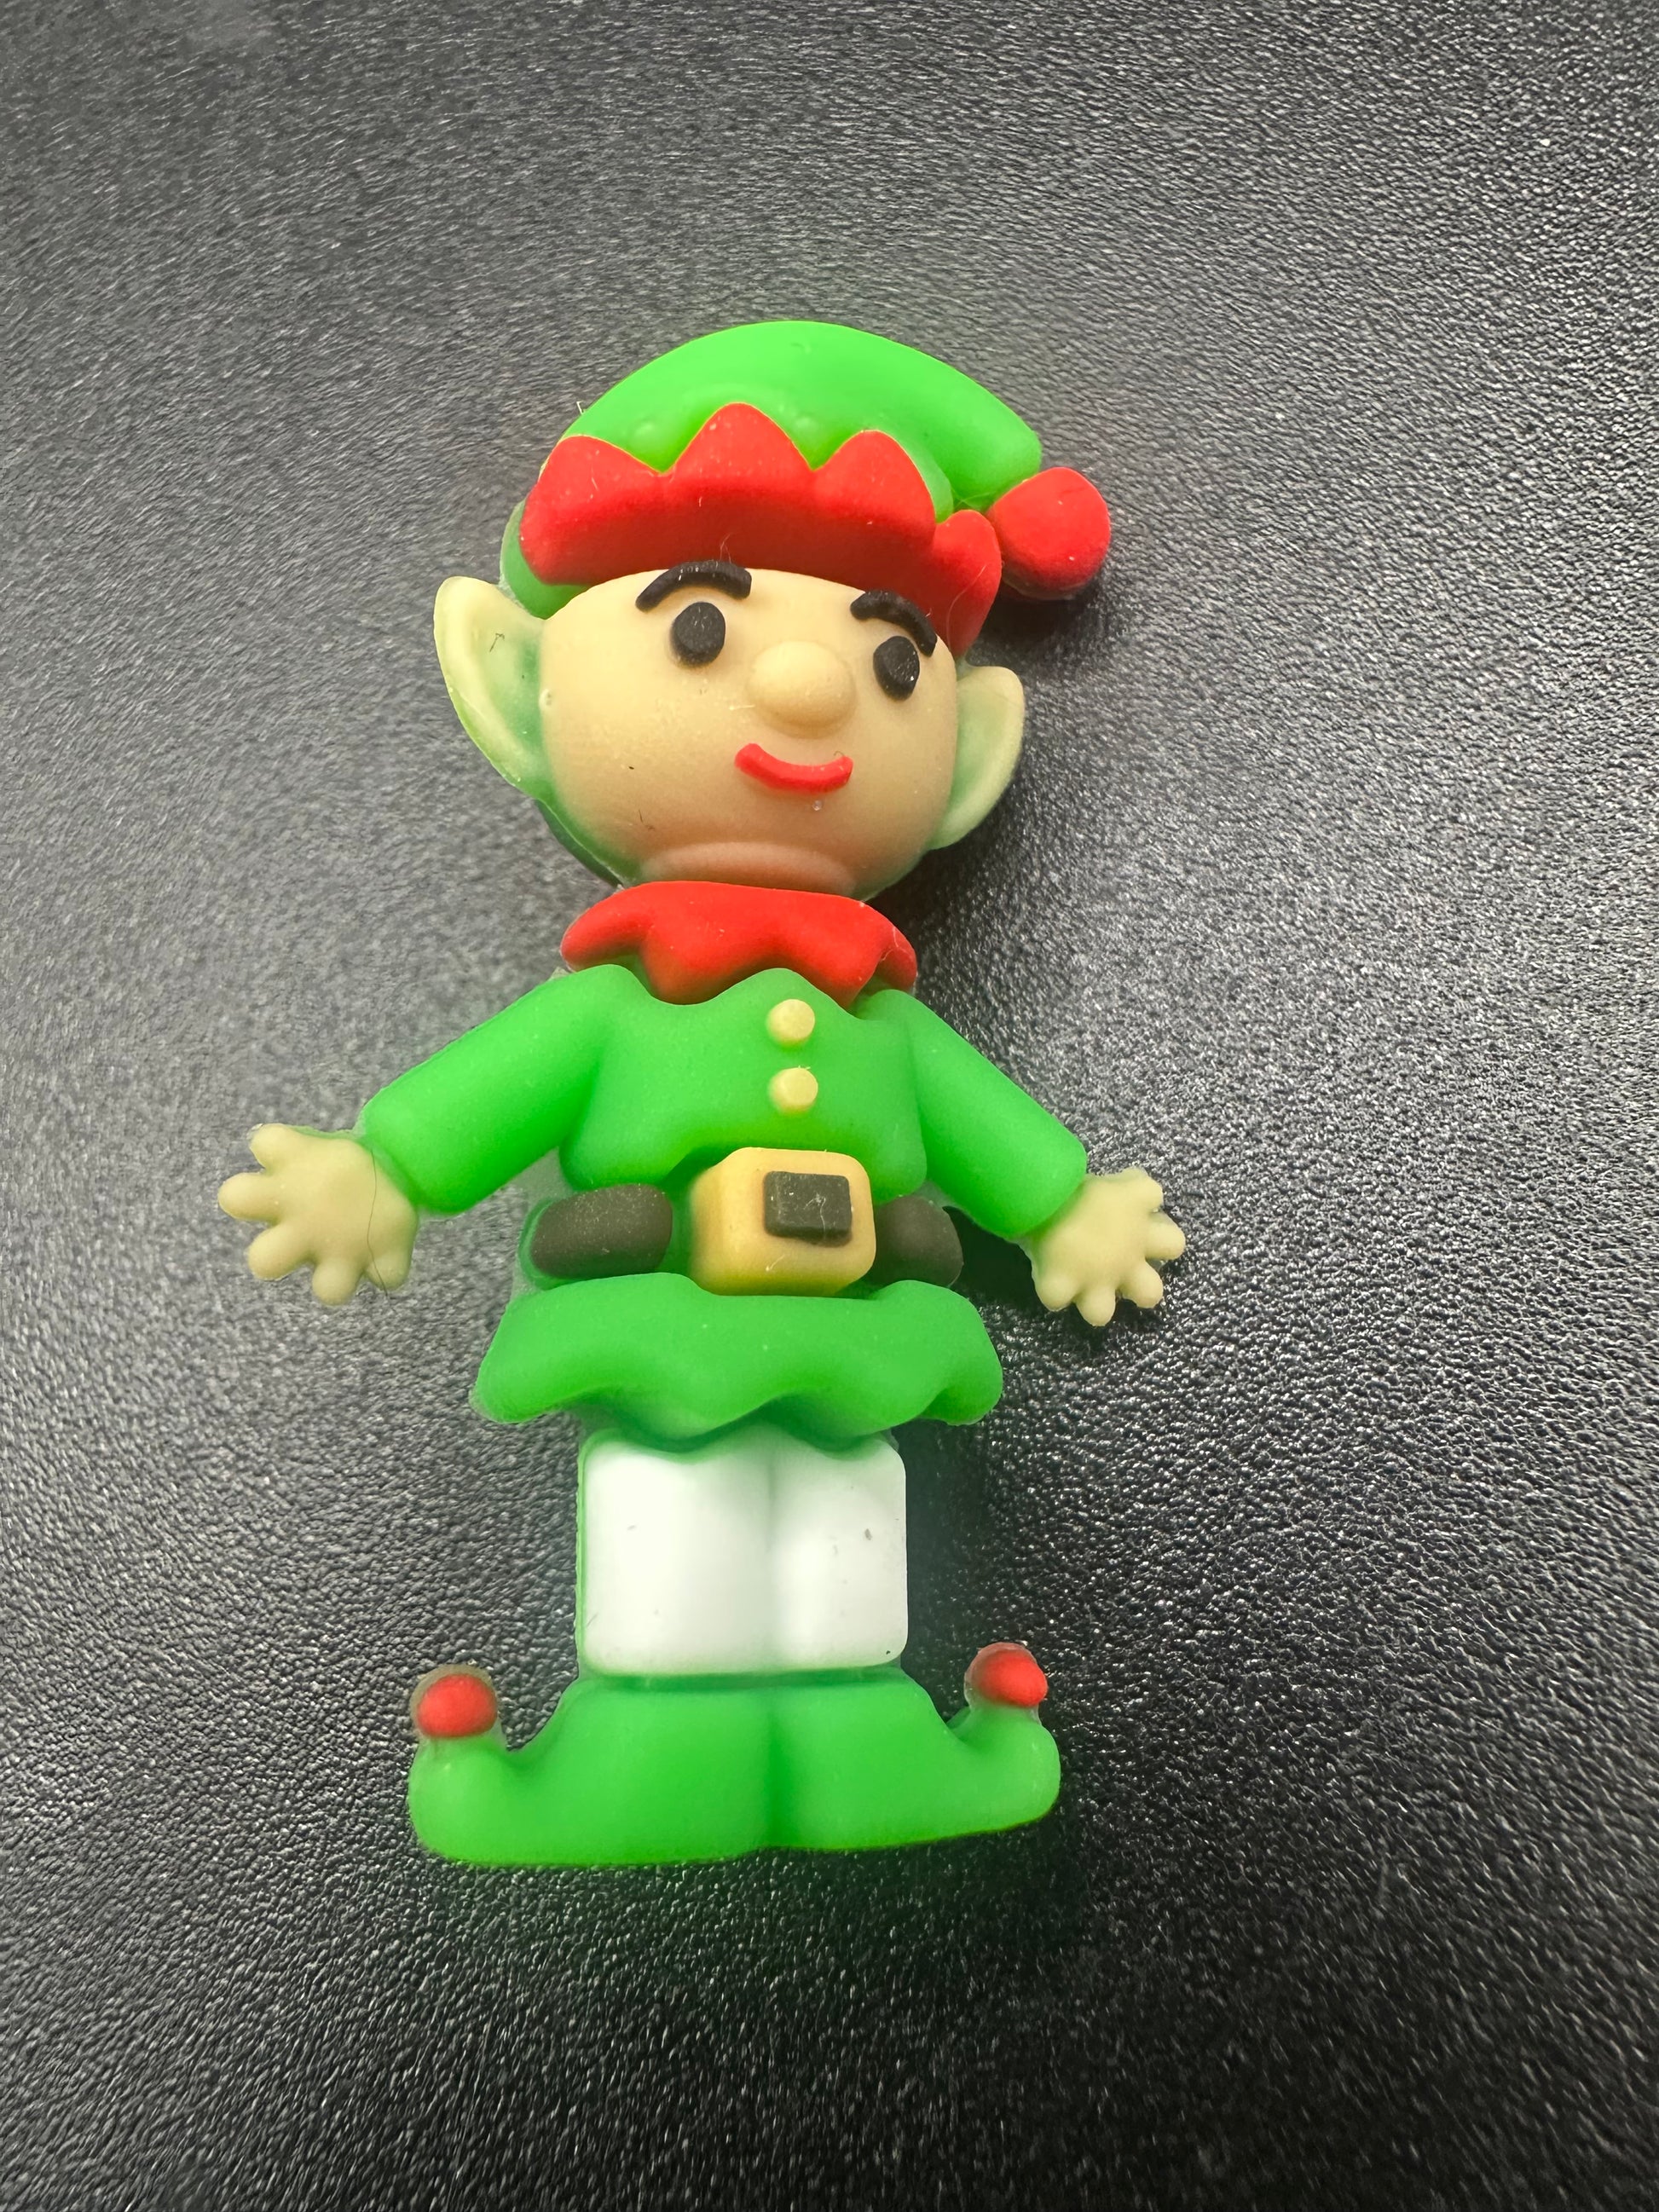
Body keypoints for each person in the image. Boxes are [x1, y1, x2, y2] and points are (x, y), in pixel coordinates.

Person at [219, 321, 1185, 1863]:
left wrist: (1065, 1210)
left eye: (890, 664)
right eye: (696, 633)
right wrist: (380, 1171)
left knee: (849, 1533)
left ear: (964, 760)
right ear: (519, 692)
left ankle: (867, 1735)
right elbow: (488, 1097)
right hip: (656, 1319)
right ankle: (642, 1746)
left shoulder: (882, 1021)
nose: (803, 683)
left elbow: (974, 1124)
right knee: (672, 1530)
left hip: (859, 1328)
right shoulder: (614, 1005)